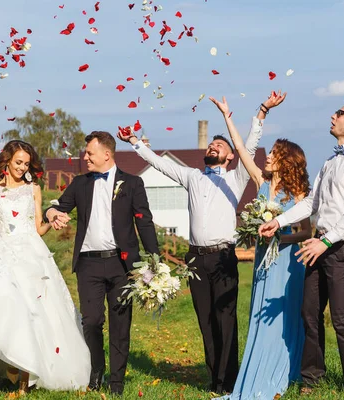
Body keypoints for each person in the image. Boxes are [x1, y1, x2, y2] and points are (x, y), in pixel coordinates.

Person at [118, 91, 284, 394]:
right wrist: (135, 144)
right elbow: (159, 164)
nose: (212, 146)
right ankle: (214, 378)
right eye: (211, 144)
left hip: (223, 257)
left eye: (219, 145)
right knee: (205, 319)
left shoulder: (236, 178)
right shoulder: (192, 177)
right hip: (195, 259)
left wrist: (262, 112)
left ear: (230, 155)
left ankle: (228, 380)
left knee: (225, 318)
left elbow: (250, 146)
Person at [0, 140, 91, 395]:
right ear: (7, 161)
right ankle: (13, 363)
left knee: (34, 311)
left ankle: (26, 379)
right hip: (3, 253)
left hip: (32, 254)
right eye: (18, 163)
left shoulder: (32, 189)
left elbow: (37, 228)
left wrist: (52, 219)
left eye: (26, 163)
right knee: (11, 310)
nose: (22, 168)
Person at [259, 99, 344, 394]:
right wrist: (279, 220)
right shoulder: (330, 161)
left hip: (342, 247)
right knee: (309, 313)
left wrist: (325, 242)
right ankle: (312, 379)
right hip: (318, 244)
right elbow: (312, 203)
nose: (333, 115)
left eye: (340, 113)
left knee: (341, 317)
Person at [210, 95, 312, 399]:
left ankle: (285, 370)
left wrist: (278, 234)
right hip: (263, 262)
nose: (268, 156)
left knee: (282, 316)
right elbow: (241, 148)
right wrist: (235, 115)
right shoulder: (261, 182)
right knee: (258, 315)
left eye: (275, 153)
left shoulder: (300, 193)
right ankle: (256, 369)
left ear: (286, 159)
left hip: (287, 262)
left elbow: (306, 233)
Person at [45, 131, 160, 396]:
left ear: (106, 154)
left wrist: (154, 259)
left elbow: (144, 221)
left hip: (122, 266)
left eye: (89, 153)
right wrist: (51, 213)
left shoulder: (132, 183)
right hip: (88, 265)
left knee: (120, 323)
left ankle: (116, 381)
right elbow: (57, 207)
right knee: (92, 321)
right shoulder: (80, 183)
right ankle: (96, 370)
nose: (85, 157)